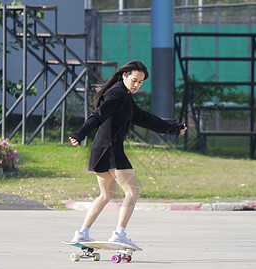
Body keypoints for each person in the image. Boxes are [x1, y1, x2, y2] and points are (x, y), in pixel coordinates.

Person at [69, 60, 187, 247]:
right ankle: (119, 233)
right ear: (124, 75)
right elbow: (98, 115)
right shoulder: (117, 94)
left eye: (140, 82)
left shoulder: (124, 96)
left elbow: (144, 118)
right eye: (134, 80)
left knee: (105, 195)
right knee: (132, 192)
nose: (136, 85)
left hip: (101, 148)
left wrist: (173, 128)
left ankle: (82, 233)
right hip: (111, 148)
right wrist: (80, 133)